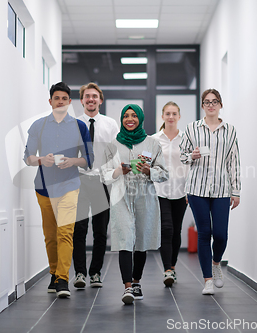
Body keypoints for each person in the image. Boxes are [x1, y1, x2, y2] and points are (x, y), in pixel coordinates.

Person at [23, 82, 93, 298]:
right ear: (50, 101)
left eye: (64, 98)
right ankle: (54, 273)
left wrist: (73, 161)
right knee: (50, 235)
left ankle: (63, 279)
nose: (60, 101)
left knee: (65, 233)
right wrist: (42, 159)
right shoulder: (38, 126)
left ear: (70, 102)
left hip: (69, 186)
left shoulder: (80, 127)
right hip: (43, 188)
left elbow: (88, 160)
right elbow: (28, 158)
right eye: (56, 98)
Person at [100, 104, 168, 304]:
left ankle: (136, 281)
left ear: (140, 118)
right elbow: (104, 175)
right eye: (126, 116)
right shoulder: (112, 145)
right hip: (121, 197)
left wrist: (149, 171)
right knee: (124, 238)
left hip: (144, 196)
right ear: (122, 120)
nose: (130, 119)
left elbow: (164, 174)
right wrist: (119, 171)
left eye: (133, 116)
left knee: (141, 239)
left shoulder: (152, 144)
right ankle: (127, 287)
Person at [179, 89, 241, 295]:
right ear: (203, 106)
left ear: (220, 105)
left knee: (221, 234)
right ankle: (207, 280)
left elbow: (234, 161)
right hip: (197, 188)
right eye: (207, 102)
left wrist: (236, 190)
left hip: (222, 189)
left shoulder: (230, 130)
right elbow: (182, 156)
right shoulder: (192, 128)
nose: (211, 105)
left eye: (215, 102)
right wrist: (192, 155)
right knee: (204, 233)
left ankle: (216, 263)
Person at [73, 83, 119, 289]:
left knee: (100, 231)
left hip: (102, 182)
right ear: (82, 100)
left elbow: (115, 154)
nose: (91, 99)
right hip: (80, 180)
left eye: (94, 96)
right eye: (87, 96)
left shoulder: (110, 125)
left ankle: (95, 273)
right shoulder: (72, 124)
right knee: (79, 229)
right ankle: (80, 273)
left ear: (100, 100)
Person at [152, 102, 189, 287]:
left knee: (176, 230)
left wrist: (190, 190)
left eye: (174, 113)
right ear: (163, 116)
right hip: (160, 191)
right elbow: (145, 162)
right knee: (166, 228)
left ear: (179, 117)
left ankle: (172, 266)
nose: (171, 117)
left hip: (182, 192)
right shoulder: (154, 139)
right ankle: (167, 269)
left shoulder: (186, 139)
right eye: (168, 113)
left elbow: (191, 166)